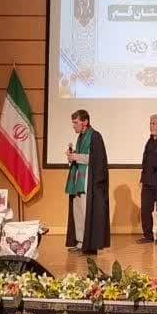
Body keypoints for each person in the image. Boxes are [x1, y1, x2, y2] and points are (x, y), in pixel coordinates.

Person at [65, 109, 110, 254]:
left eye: (76, 122)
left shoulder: (95, 136)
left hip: (89, 182)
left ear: (85, 122)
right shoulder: (80, 137)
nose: (74, 126)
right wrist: (73, 156)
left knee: (86, 212)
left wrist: (76, 157)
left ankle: (87, 244)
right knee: (78, 211)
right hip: (79, 179)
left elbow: (96, 159)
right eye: (73, 123)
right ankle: (80, 242)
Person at [139, 114, 157, 243]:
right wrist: (142, 178)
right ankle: (148, 235)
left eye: (154, 123)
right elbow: (145, 161)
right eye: (150, 123)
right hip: (147, 182)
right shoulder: (149, 141)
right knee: (145, 209)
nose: (151, 126)